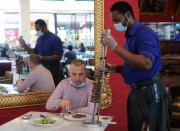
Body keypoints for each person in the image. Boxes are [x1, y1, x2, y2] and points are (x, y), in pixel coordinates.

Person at [101, 1, 169, 131]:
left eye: (117, 20)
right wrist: (116, 68)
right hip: (137, 92)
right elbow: (134, 63)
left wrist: (115, 46)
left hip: (149, 91)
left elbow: (146, 63)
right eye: (114, 21)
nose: (116, 24)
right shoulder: (130, 35)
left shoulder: (145, 33)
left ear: (127, 15)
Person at [19, 19, 64, 86]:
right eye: (36, 30)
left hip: (52, 70)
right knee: (42, 90)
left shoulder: (55, 39)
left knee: (53, 90)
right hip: (41, 70)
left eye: (38, 29)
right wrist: (24, 45)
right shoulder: (39, 39)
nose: (37, 31)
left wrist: (43, 57)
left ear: (45, 27)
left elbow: (58, 56)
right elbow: (34, 52)